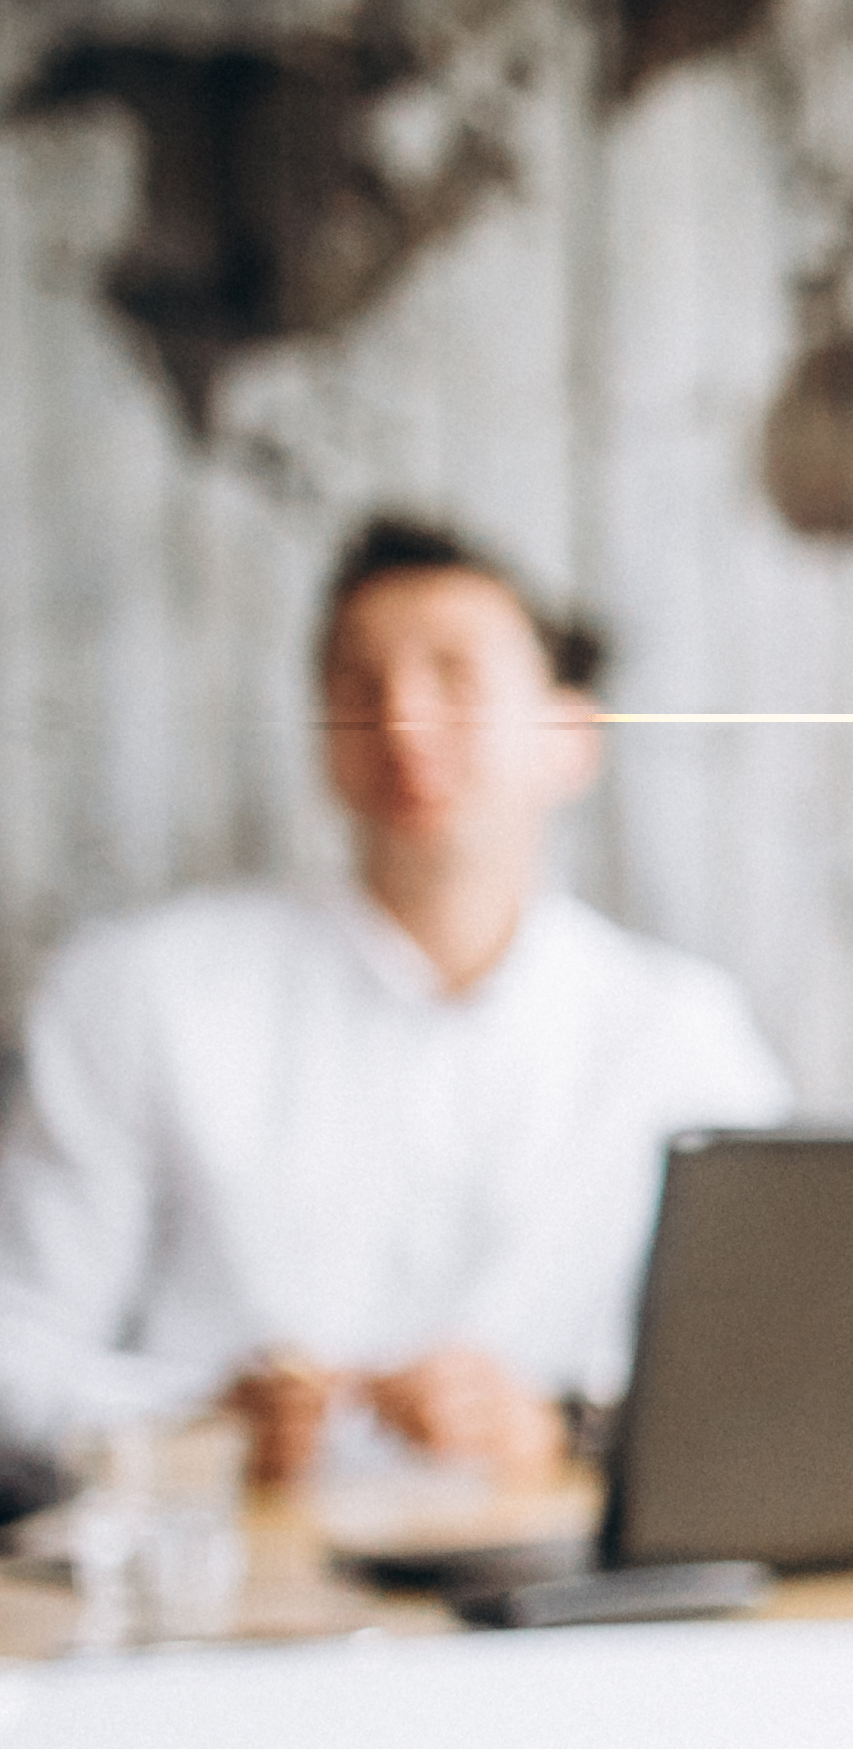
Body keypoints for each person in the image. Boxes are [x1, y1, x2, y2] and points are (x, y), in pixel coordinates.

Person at [0, 515, 787, 1490]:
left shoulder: (682, 1037)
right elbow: (17, 1342)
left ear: (569, 738)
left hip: (560, 1570)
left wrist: (564, 1427)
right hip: (227, 1565)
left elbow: (775, 1367)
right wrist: (193, 1425)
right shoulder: (137, 993)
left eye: (454, 676)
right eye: (358, 685)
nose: (403, 722)